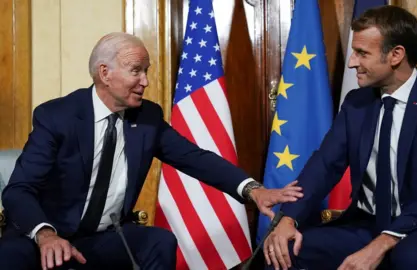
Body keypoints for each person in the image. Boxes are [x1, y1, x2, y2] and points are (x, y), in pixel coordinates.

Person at [0, 32, 303, 270]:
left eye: (146, 71)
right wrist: (45, 235)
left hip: (102, 238)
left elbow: (194, 158)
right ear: (105, 73)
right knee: (10, 255)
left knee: (158, 241)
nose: (145, 82)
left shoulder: (146, 118)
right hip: (46, 235)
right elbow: (18, 190)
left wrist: (252, 190)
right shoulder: (58, 116)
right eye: (136, 71)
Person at [264, 5, 417, 270]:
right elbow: (324, 166)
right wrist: (289, 219)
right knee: (284, 250)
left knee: (410, 256)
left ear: (396, 55)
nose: (352, 62)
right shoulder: (356, 103)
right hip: (367, 223)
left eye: (362, 53)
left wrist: (386, 240)